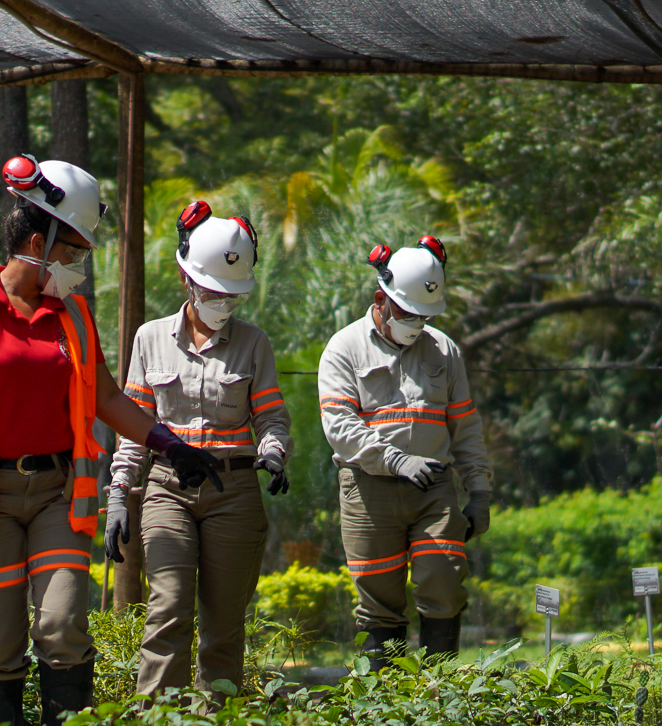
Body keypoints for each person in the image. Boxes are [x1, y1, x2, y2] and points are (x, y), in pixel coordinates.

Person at [0, 156, 225, 726]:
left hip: (58, 494)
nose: (79, 267)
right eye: (74, 253)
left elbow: (107, 398)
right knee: (0, 644)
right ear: (38, 242)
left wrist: (168, 445)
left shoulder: (75, 318)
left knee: (62, 626)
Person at [104, 202, 291, 697]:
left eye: (231, 296)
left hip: (234, 492)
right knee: (168, 609)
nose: (222, 302)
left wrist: (273, 450)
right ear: (187, 280)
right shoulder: (150, 339)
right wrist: (120, 492)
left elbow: (271, 417)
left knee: (224, 625)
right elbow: (133, 426)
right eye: (213, 291)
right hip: (168, 489)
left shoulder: (254, 344)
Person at [317, 236, 493, 665]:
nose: (417, 322)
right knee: (380, 597)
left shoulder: (443, 350)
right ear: (382, 298)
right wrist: (396, 459)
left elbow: (465, 425)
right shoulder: (344, 349)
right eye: (407, 313)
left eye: (425, 315)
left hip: (433, 490)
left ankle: (441, 698)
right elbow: (339, 427)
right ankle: (386, 710)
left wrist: (480, 489)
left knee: (444, 581)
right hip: (368, 492)